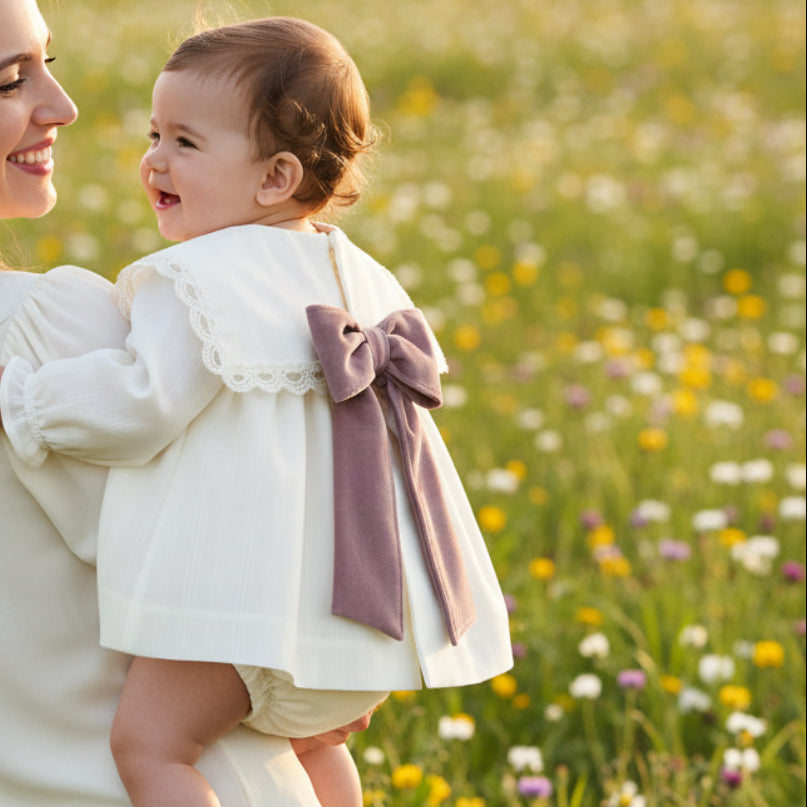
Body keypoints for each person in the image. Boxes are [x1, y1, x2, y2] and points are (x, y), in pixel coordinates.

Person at [1, 15, 514, 807]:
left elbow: (141, 403)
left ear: (275, 177)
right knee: (313, 749)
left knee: (152, 747)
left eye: (184, 142)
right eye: (155, 135)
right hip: (351, 620)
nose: (153, 159)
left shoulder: (195, 283)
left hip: (235, 623)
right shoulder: (361, 280)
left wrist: (28, 401)